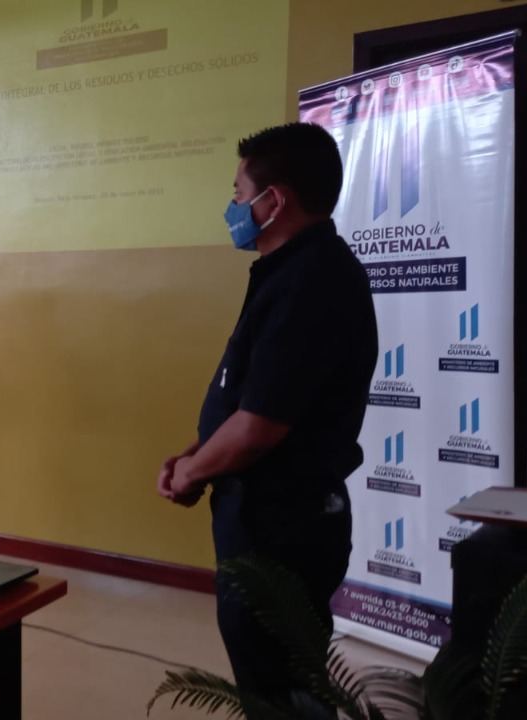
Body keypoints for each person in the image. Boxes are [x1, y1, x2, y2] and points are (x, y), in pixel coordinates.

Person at [157, 122, 377, 716]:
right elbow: (251, 397)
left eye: (239, 194)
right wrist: (195, 453)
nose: (233, 208)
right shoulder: (290, 273)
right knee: (268, 677)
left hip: (282, 529)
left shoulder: (312, 281)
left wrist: (192, 473)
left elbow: (261, 427)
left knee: (282, 690)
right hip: (263, 518)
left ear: (273, 200)